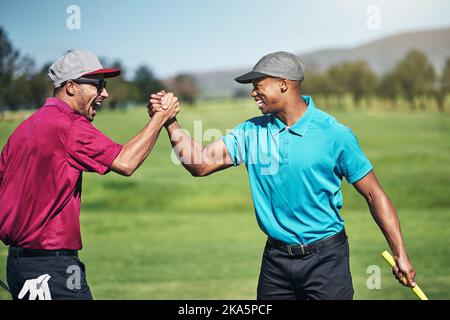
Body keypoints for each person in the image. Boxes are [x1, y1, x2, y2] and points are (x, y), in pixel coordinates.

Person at [149, 51, 417, 300]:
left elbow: (373, 193)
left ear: (283, 84)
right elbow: (200, 164)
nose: (253, 93)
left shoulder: (334, 134)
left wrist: (400, 253)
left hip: (326, 261)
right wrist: (169, 121)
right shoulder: (250, 132)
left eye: (258, 85)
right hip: (276, 263)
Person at [0, 49, 179, 300]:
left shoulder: (22, 130)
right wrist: (161, 117)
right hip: (50, 269)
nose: (104, 93)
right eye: (97, 85)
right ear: (71, 87)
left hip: (19, 265)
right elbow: (126, 162)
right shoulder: (69, 125)